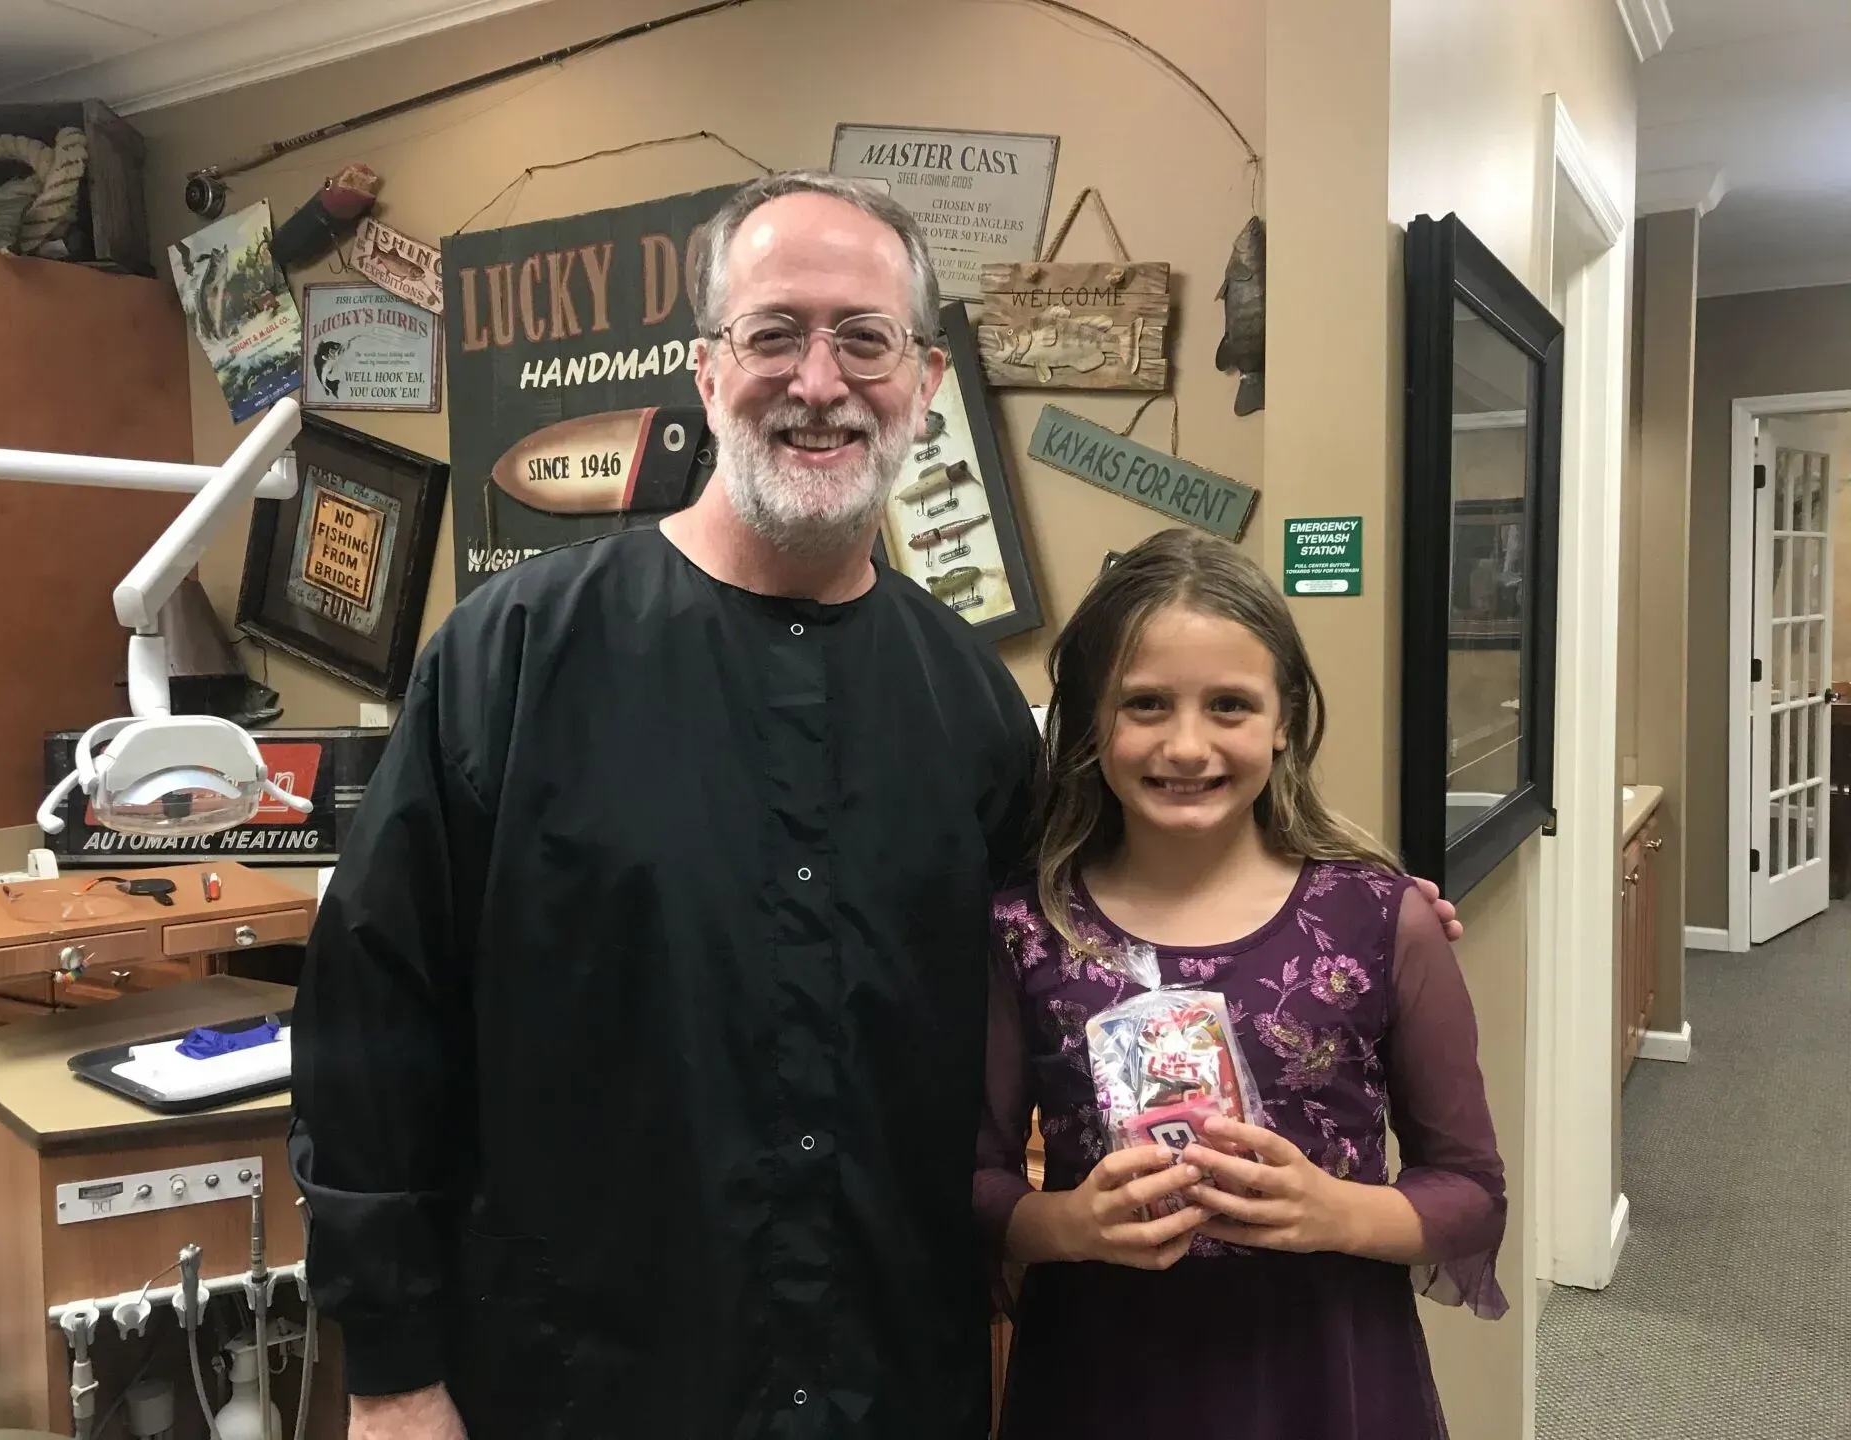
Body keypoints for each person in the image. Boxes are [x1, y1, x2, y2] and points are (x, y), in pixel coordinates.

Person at [290, 172, 1463, 1439]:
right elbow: (373, 1026)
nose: (819, 380)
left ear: (923, 381)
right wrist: (393, 1375)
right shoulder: (510, 661)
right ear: (703, 369)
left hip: (893, 1378)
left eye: (864, 339)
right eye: (775, 333)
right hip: (588, 1380)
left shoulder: (968, 703)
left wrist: (1343, 903)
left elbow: (1111, 914)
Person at [976, 528, 1505, 1438]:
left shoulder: (1378, 921)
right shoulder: (1029, 930)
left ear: (1284, 718)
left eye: (1229, 705)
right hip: (1103, 1375)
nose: (1187, 745)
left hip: (1324, 1376)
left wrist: (1335, 1210)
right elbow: (970, 1181)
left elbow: (1469, 1189)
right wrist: (1067, 1225)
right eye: (1145, 705)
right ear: (1092, 721)